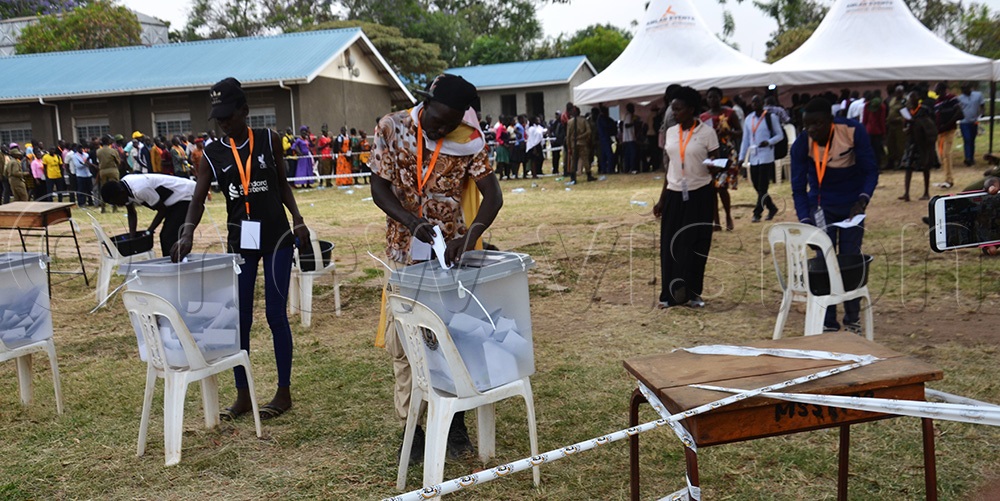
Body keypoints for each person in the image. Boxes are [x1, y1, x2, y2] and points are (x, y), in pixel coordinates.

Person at [370, 73, 503, 464]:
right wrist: (411, 222)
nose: (442, 129)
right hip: (402, 254)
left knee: (454, 339)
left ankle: (457, 421)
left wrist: (470, 235)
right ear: (425, 103)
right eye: (437, 121)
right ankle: (412, 429)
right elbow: (378, 188)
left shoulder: (466, 138)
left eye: (451, 123)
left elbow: (492, 196)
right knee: (404, 343)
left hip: (450, 258)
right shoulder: (391, 127)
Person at [171, 77, 310, 422]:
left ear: (245, 111)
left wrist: (298, 218)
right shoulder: (212, 154)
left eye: (229, 116)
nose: (223, 123)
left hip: (277, 237)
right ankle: (244, 394)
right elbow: (198, 198)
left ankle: (283, 391)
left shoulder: (268, 139)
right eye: (218, 118)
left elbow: (281, 183)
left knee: (275, 314)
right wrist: (187, 231)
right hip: (241, 243)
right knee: (239, 320)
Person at [790, 97, 879, 333]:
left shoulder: (852, 131)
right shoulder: (801, 144)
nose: (812, 130)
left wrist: (863, 199)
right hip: (820, 207)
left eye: (817, 124)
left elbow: (870, 169)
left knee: (850, 259)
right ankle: (828, 322)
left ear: (830, 120)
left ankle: (852, 319)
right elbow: (798, 188)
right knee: (823, 261)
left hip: (852, 206)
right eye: (807, 125)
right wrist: (806, 221)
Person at [654, 86, 725, 309]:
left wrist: (717, 169)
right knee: (670, 245)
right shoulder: (672, 132)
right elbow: (671, 166)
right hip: (675, 194)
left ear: (691, 109)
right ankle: (670, 293)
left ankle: (694, 292)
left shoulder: (707, 132)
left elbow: (716, 162)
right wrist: (662, 198)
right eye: (673, 109)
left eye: (679, 109)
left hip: (700, 193)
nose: (674, 113)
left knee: (695, 244)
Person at [101, 174, 195, 256]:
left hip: (184, 195)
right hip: (173, 202)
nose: (119, 205)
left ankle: (177, 265)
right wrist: (132, 237)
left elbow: (162, 210)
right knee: (168, 236)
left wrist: (149, 231)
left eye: (116, 202)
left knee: (169, 236)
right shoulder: (124, 189)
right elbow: (132, 213)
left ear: (121, 193)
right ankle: (175, 263)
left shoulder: (140, 189)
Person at [700, 87, 740, 231]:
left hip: (726, 152)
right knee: (711, 189)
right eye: (709, 97)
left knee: (722, 187)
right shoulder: (703, 117)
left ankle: (728, 216)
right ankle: (715, 221)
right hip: (710, 153)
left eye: (715, 97)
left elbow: (740, 131)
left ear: (720, 97)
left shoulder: (729, 113)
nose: (712, 100)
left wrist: (729, 132)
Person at [738, 94, 782, 223]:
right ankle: (772, 207)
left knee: (763, 186)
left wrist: (769, 142)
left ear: (763, 103)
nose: (755, 104)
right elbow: (745, 140)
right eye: (753, 102)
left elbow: (779, 135)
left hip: (766, 156)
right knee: (757, 186)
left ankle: (757, 212)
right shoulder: (749, 119)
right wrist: (741, 158)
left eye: (757, 101)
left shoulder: (770, 117)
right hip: (754, 155)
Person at [899, 91, 938, 202]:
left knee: (925, 167)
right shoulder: (908, 111)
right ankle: (906, 193)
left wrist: (917, 123)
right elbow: (905, 126)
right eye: (910, 100)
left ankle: (926, 192)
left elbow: (930, 124)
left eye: (913, 99)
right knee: (908, 167)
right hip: (912, 142)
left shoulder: (924, 110)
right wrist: (907, 128)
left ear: (917, 100)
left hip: (923, 143)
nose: (911, 102)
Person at [933, 81, 963, 189]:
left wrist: (947, 124)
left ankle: (949, 179)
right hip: (940, 132)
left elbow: (959, 113)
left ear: (943, 90)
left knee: (946, 154)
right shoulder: (937, 102)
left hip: (949, 130)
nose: (935, 92)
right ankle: (946, 178)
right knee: (941, 156)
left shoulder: (952, 99)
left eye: (937, 90)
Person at [957, 82, 984, 167]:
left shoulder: (978, 95)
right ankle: (968, 158)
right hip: (964, 122)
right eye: (962, 89)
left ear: (970, 88)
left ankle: (971, 157)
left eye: (966, 88)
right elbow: (958, 109)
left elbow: (982, 105)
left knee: (972, 140)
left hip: (974, 121)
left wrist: (982, 113)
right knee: (967, 139)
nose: (964, 90)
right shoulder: (959, 98)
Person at [565, 106, 593, 184]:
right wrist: (582, 137)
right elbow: (589, 131)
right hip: (582, 143)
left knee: (573, 161)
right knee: (585, 159)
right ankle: (589, 175)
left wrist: (569, 147)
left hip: (573, 144)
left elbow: (568, 136)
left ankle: (573, 177)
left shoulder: (570, 122)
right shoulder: (583, 121)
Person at [96, 135, 121, 213]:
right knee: (115, 189)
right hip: (112, 170)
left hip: (102, 171)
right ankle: (114, 207)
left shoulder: (98, 151)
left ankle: (103, 207)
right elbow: (118, 162)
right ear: (108, 141)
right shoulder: (113, 151)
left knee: (103, 189)